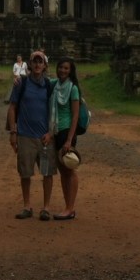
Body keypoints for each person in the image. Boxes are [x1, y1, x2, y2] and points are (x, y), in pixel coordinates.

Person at [6, 50, 55, 221]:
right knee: (25, 173)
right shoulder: (22, 83)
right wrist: (13, 132)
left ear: (45, 65)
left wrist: (51, 132)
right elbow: (12, 107)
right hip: (25, 135)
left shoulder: (49, 85)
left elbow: (56, 109)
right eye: (34, 61)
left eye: (40, 61)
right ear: (30, 64)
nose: (37, 64)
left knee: (47, 173)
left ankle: (46, 207)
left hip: (45, 137)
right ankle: (27, 206)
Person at [50, 56, 81, 220]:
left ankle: (70, 208)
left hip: (67, 132)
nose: (62, 70)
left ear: (71, 71)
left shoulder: (73, 88)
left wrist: (69, 140)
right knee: (63, 170)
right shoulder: (55, 85)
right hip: (55, 130)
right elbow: (38, 80)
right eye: (60, 67)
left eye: (66, 68)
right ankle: (68, 207)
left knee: (69, 169)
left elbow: (75, 115)